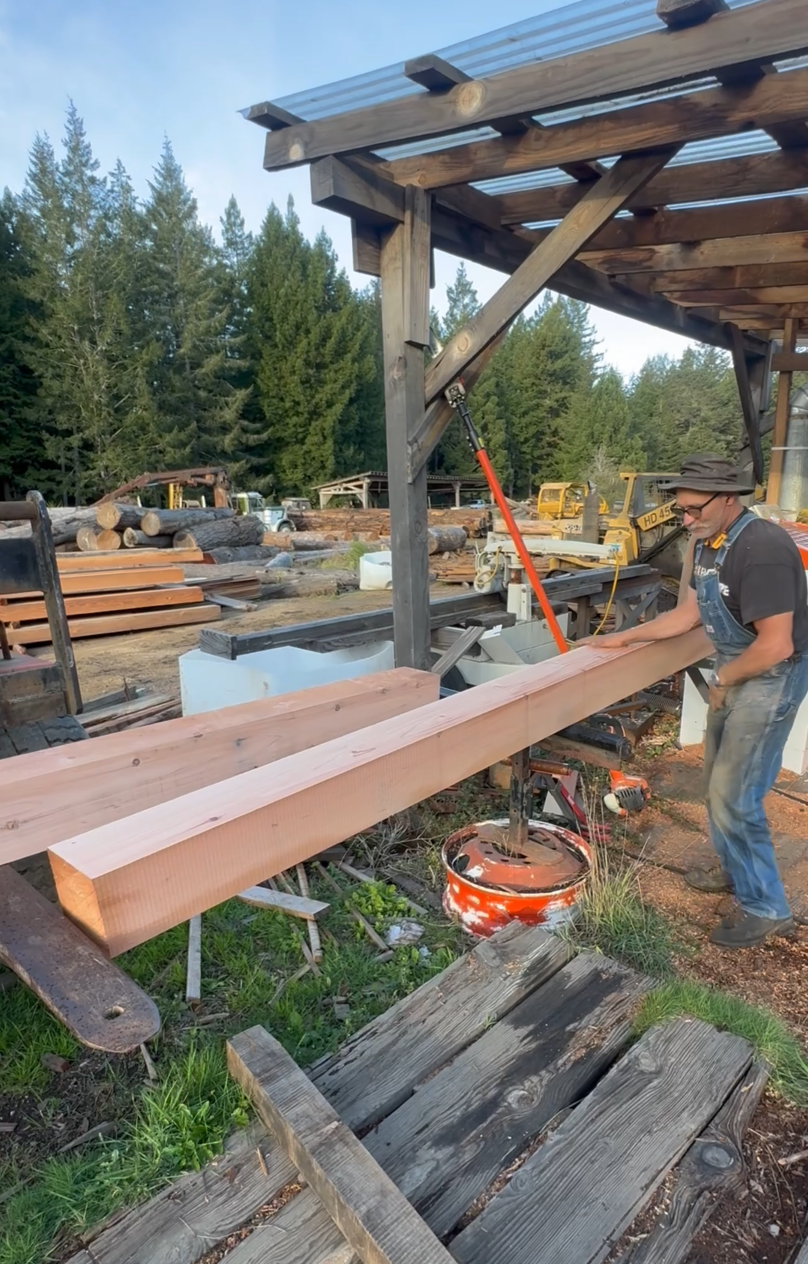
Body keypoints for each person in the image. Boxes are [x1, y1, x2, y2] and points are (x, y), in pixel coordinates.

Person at [597, 454, 808, 948]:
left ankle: (767, 907)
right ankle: (737, 869)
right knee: (716, 783)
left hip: (769, 676)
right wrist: (622, 640)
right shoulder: (705, 543)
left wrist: (726, 678)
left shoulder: (764, 548)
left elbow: (776, 645)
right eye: (681, 511)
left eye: (694, 510)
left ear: (729, 498)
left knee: (736, 794)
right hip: (737, 672)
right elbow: (686, 616)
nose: (686, 520)